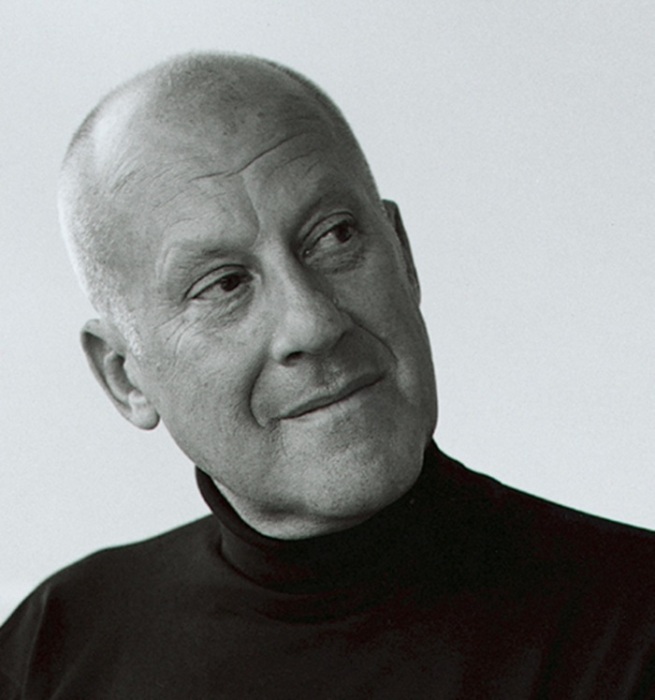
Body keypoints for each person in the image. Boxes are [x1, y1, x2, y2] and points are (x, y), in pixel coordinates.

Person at [0, 52, 653, 699]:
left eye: (335, 237)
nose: (312, 324)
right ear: (124, 378)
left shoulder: (635, 622)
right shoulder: (53, 649)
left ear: (403, 256)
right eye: (224, 284)